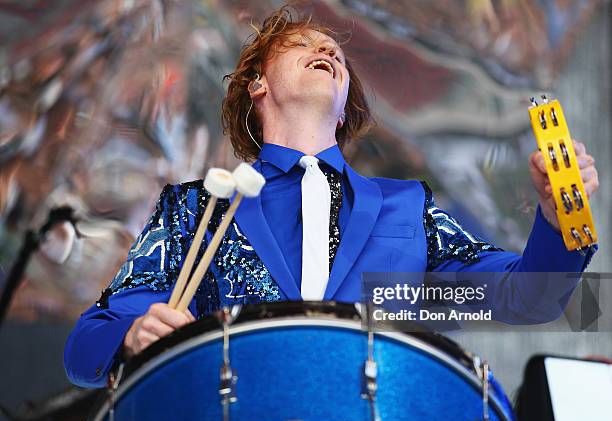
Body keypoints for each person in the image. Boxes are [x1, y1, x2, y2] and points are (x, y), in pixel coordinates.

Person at [64, 6, 599, 388]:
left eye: (335, 54)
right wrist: (134, 333)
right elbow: (87, 344)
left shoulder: (408, 207)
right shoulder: (196, 208)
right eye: (302, 46)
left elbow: (529, 298)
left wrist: (559, 222)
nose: (326, 49)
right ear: (257, 85)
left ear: (343, 110)